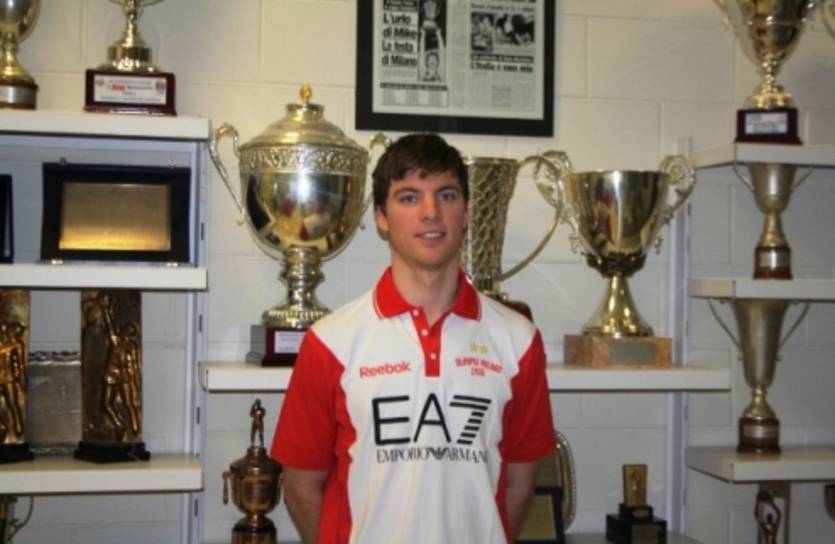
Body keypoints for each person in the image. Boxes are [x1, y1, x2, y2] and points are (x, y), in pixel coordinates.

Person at [271, 134, 555, 543]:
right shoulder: (331, 342)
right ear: (382, 218)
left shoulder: (518, 341)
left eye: (446, 195)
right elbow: (301, 488)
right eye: (409, 197)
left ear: (466, 214)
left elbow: (519, 485)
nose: (430, 212)